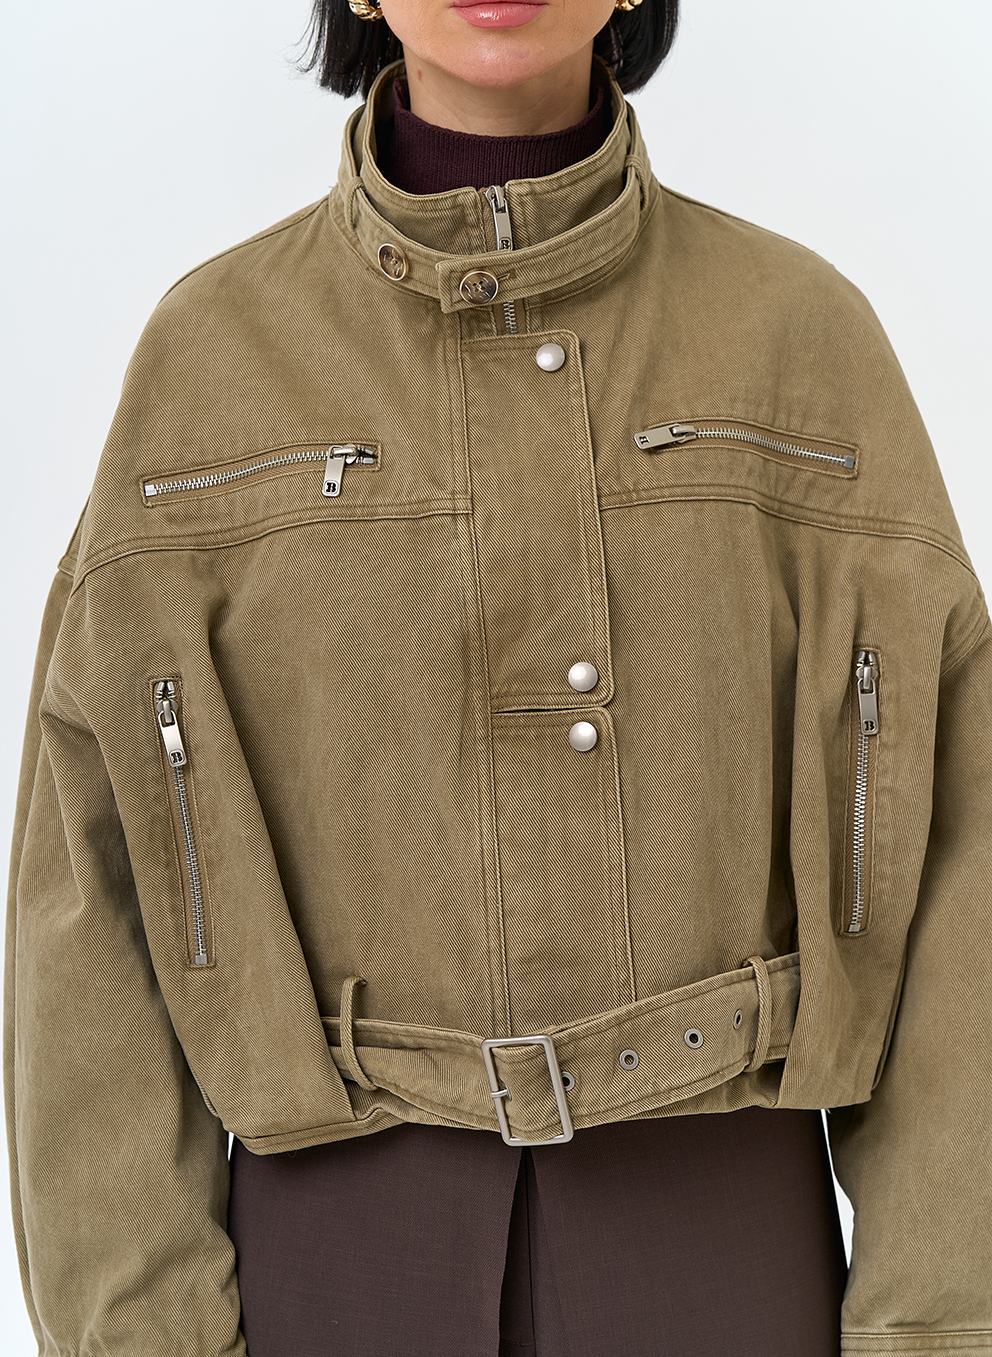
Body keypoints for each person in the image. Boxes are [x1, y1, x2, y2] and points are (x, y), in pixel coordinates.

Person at [5, 1, 991, 1354]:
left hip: (725, 1246)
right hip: (327, 1259)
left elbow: (956, 863)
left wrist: (935, 1325)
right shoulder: (211, 358)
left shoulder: (798, 340)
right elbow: (94, 895)